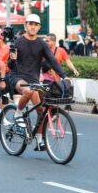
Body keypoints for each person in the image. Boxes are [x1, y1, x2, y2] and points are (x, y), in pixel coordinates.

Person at [8, 14, 67, 151]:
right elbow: (10, 65)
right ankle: (18, 113)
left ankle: (40, 141)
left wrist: (64, 76)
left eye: (36, 24)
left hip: (34, 80)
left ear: (39, 27)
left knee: (41, 111)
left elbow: (52, 60)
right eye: (30, 24)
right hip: (17, 77)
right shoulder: (18, 42)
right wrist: (12, 59)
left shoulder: (42, 44)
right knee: (28, 90)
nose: (33, 26)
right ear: (25, 25)